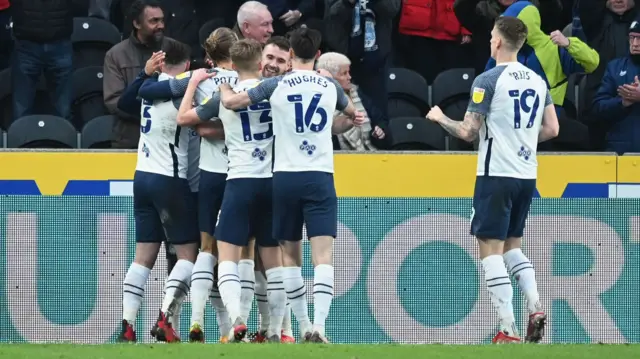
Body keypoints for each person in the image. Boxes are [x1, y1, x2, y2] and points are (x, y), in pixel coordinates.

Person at [218, 27, 363, 343]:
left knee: (290, 257)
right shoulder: (328, 85)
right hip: (320, 176)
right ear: (318, 55)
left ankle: (301, 325)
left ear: (291, 56)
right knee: (323, 256)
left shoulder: (275, 83)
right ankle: (320, 328)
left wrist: (225, 92)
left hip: (284, 177)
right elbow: (351, 116)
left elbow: (236, 102)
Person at [426, 16, 559, 344]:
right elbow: (553, 129)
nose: (489, 41)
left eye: (490, 37)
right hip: (526, 176)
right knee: (513, 245)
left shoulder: (488, 79)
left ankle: (508, 329)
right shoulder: (538, 81)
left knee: (490, 250)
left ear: (498, 42)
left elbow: (468, 131)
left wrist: (440, 117)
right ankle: (536, 306)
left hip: (495, 174)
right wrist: (521, 140)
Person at [183, 38, 290, 343]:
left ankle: (237, 320)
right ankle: (274, 330)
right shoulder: (275, 91)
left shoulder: (223, 94)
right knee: (273, 263)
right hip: (272, 181)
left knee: (227, 255)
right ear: (260, 63)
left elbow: (185, 119)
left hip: (240, 180)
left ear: (232, 62)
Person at [138, 27, 240, 343]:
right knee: (241, 254)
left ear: (208, 55)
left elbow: (149, 95)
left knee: (205, 252)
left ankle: (192, 322)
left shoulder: (200, 81)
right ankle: (237, 328)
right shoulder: (249, 83)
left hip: (204, 177)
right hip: (240, 174)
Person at [118, 39, 199, 343]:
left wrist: (143, 74)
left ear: (160, 62)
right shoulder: (187, 87)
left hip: (142, 177)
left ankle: (127, 325)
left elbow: (124, 103)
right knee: (189, 254)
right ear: (188, 65)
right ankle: (165, 317)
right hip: (170, 178)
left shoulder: (148, 87)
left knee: (143, 256)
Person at [104, 0, 170, 149]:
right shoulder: (116, 55)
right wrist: (150, 113)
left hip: (166, 138)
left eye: (162, 20)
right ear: (137, 24)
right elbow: (114, 102)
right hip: (129, 139)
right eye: (154, 21)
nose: (161, 25)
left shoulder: (173, 49)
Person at [592, 19, 640, 154]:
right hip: (620, 150)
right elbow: (598, 107)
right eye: (632, 38)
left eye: (639, 39)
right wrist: (623, 102)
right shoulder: (615, 67)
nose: (635, 44)